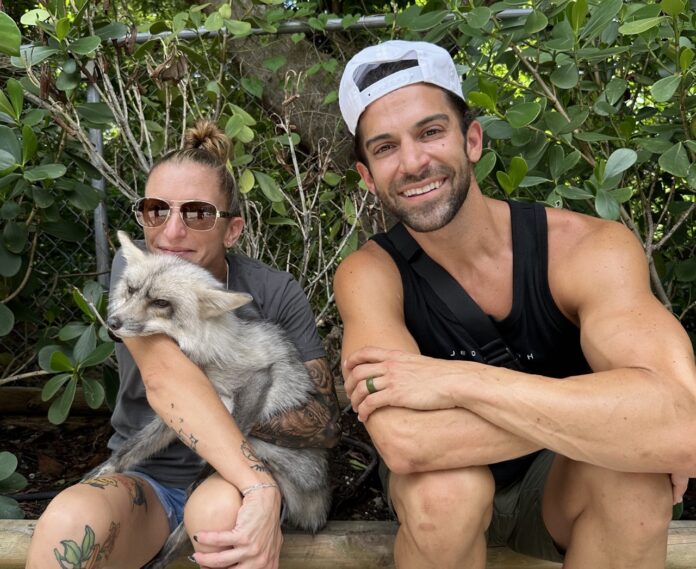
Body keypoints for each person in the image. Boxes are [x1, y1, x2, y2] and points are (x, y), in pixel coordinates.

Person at [334, 40, 696, 568]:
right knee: (445, 492)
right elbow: (408, 440)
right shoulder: (370, 274)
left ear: (472, 140)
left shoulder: (587, 249)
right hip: (446, 506)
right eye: (385, 148)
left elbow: (681, 427)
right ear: (367, 177)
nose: (413, 162)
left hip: (561, 488)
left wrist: (459, 382)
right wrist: (615, 418)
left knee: (637, 482)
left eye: (431, 132)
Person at [27, 120, 340, 569]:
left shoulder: (274, 290)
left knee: (217, 515)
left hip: (243, 477)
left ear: (231, 230)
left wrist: (256, 480)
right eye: (157, 210)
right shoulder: (140, 271)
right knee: (68, 521)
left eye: (196, 214)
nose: (171, 233)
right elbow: (169, 383)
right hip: (150, 482)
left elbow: (324, 426)